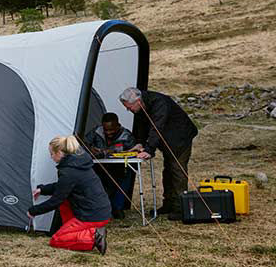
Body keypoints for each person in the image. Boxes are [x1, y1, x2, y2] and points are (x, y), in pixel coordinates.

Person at [119, 87, 198, 221]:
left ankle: (181, 208)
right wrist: (140, 143)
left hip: (180, 138)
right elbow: (141, 126)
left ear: (138, 101)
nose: (129, 110)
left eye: (129, 107)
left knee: (177, 171)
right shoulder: (140, 107)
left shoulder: (159, 103)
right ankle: (169, 204)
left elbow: (157, 127)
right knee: (168, 171)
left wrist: (149, 149)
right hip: (168, 139)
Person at [27, 135, 111, 255]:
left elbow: (56, 200)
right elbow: (63, 187)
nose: (51, 157)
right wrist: (43, 189)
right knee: (65, 201)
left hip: (92, 216)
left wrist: (33, 211)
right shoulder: (77, 163)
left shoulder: (69, 171)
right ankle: (75, 230)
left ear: (60, 152)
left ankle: (94, 236)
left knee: (56, 240)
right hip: (100, 212)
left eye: (51, 154)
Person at [84, 112, 141, 219]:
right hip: (99, 167)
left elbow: (134, 152)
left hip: (118, 168)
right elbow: (84, 143)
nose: (108, 132)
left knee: (125, 177)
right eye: (106, 130)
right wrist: (90, 149)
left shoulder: (126, 136)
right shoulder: (96, 132)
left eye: (111, 130)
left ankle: (117, 207)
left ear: (118, 125)